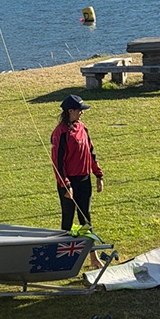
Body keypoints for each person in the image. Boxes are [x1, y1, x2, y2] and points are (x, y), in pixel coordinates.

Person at [51, 94, 104, 267]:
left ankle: (93, 258)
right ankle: (62, 260)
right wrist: (66, 185)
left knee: (85, 219)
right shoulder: (60, 133)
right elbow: (58, 163)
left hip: (84, 180)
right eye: (79, 110)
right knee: (68, 220)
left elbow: (91, 152)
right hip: (68, 183)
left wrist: (98, 175)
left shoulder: (82, 127)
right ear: (70, 111)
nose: (82, 113)